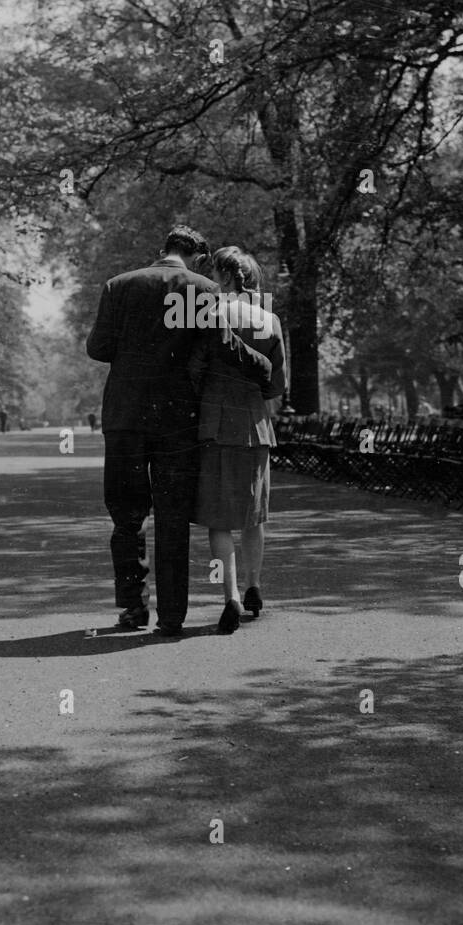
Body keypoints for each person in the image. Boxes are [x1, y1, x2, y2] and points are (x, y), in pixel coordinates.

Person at [86, 225, 272, 636]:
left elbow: (97, 348)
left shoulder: (118, 285)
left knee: (127, 517)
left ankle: (134, 608)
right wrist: (263, 366)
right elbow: (223, 344)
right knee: (172, 517)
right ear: (199, 257)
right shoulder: (203, 289)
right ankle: (172, 617)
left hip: (125, 417)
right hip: (176, 418)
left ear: (163, 249)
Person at [189, 247, 286, 634]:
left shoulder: (206, 315)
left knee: (218, 519)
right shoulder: (270, 320)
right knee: (253, 516)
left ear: (223, 278)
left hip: (214, 426)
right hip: (256, 428)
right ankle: (254, 586)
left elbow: (194, 371)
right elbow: (277, 385)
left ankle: (228, 594)